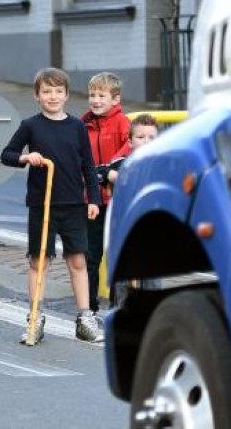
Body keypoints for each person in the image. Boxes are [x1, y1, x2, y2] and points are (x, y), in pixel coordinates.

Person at [0, 68, 104, 345]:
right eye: (47, 91)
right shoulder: (31, 126)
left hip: (73, 205)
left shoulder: (77, 127)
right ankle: (35, 318)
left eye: (59, 91)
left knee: (78, 260)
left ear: (67, 96)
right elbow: (7, 155)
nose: (53, 96)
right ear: (36, 96)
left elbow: (88, 167)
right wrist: (26, 157)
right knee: (39, 261)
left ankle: (85, 317)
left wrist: (93, 199)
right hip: (42, 204)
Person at [81, 71, 130, 324]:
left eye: (102, 95)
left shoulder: (122, 123)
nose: (96, 100)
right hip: (91, 200)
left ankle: (116, 307)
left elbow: (128, 149)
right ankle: (88, 309)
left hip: (116, 200)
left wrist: (107, 169)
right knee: (91, 255)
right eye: (92, 95)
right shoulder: (83, 124)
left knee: (116, 255)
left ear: (115, 99)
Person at [104, 114, 159, 186]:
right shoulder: (122, 163)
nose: (146, 141)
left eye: (151, 137)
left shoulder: (166, 165)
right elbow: (96, 171)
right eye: (140, 137)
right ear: (130, 142)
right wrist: (111, 175)